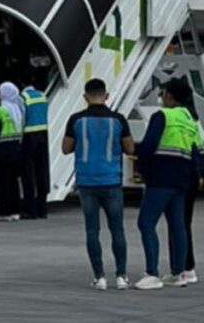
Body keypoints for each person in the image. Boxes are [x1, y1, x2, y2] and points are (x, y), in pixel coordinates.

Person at [62, 78, 134, 291]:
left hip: (86, 181)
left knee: (92, 230)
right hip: (111, 180)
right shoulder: (118, 119)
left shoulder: (75, 119)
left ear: (85, 97)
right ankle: (121, 276)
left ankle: (99, 276)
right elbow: (130, 148)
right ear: (107, 95)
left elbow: (66, 148)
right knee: (117, 230)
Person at [134, 78, 203, 290]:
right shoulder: (191, 121)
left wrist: (142, 170)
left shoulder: (162, 116)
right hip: (182, 181)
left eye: (163, 94)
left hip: (161, 178)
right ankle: (178, 272)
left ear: (170, 96)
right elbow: (198, 153)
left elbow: (148, 146)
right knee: (178, 226)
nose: (162, 98)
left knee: (146, 223)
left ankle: (152, 273)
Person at [172, 81, 202, 284]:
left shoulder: (170, 117)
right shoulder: (193, 119)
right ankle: (186, 267)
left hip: (174, 177)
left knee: (177, 224)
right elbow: (199, 150)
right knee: (184, 222)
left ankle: (182, 267)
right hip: (190, 176)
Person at [0, 82, 24, 222]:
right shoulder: (18, 109)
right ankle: (15, 210)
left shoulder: (0, 110)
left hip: (2, 147)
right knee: (13, 180)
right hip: (16, 146)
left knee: (2, 181)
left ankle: (4, 211)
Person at [20, 72, 50, 219]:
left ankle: (30, 209)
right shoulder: (42, 95)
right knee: (42, 172)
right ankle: (42, 208)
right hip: (43, 135)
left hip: (29, 136)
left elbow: (21, 119)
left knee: (28, 174)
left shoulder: (23, 98)